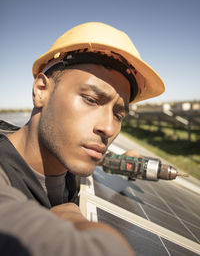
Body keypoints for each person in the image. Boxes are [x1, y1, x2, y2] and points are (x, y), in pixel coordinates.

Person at [0, 22, 165, 256]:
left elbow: (101, 161)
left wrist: (121, 161)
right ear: (40, 90)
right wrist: (74, 221)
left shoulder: (70, 154)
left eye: (118, 115)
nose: (108, 128)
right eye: (90, 99)